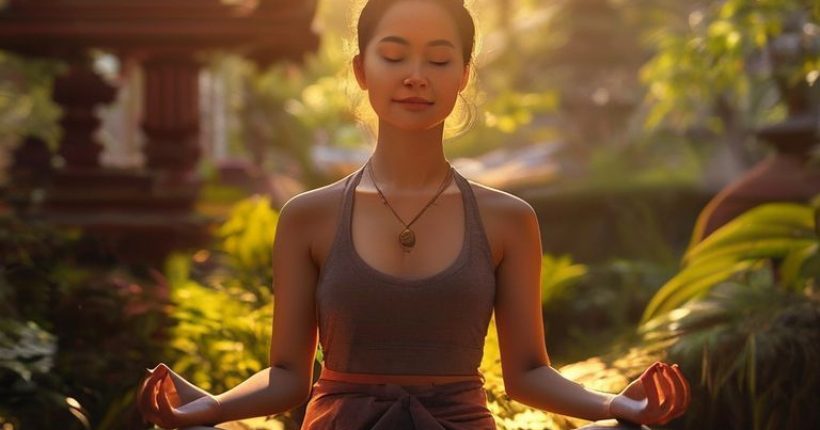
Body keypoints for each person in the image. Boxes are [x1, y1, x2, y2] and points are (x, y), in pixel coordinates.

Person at [138, 0, 691, 428]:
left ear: (464, 74)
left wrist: (616, 404)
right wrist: (211, 407)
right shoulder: (308, 217)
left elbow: (528, 374)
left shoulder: (508, 220)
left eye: (439, 58)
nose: (415, 75)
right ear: (361, 69)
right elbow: (286, 376)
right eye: (395, 55)